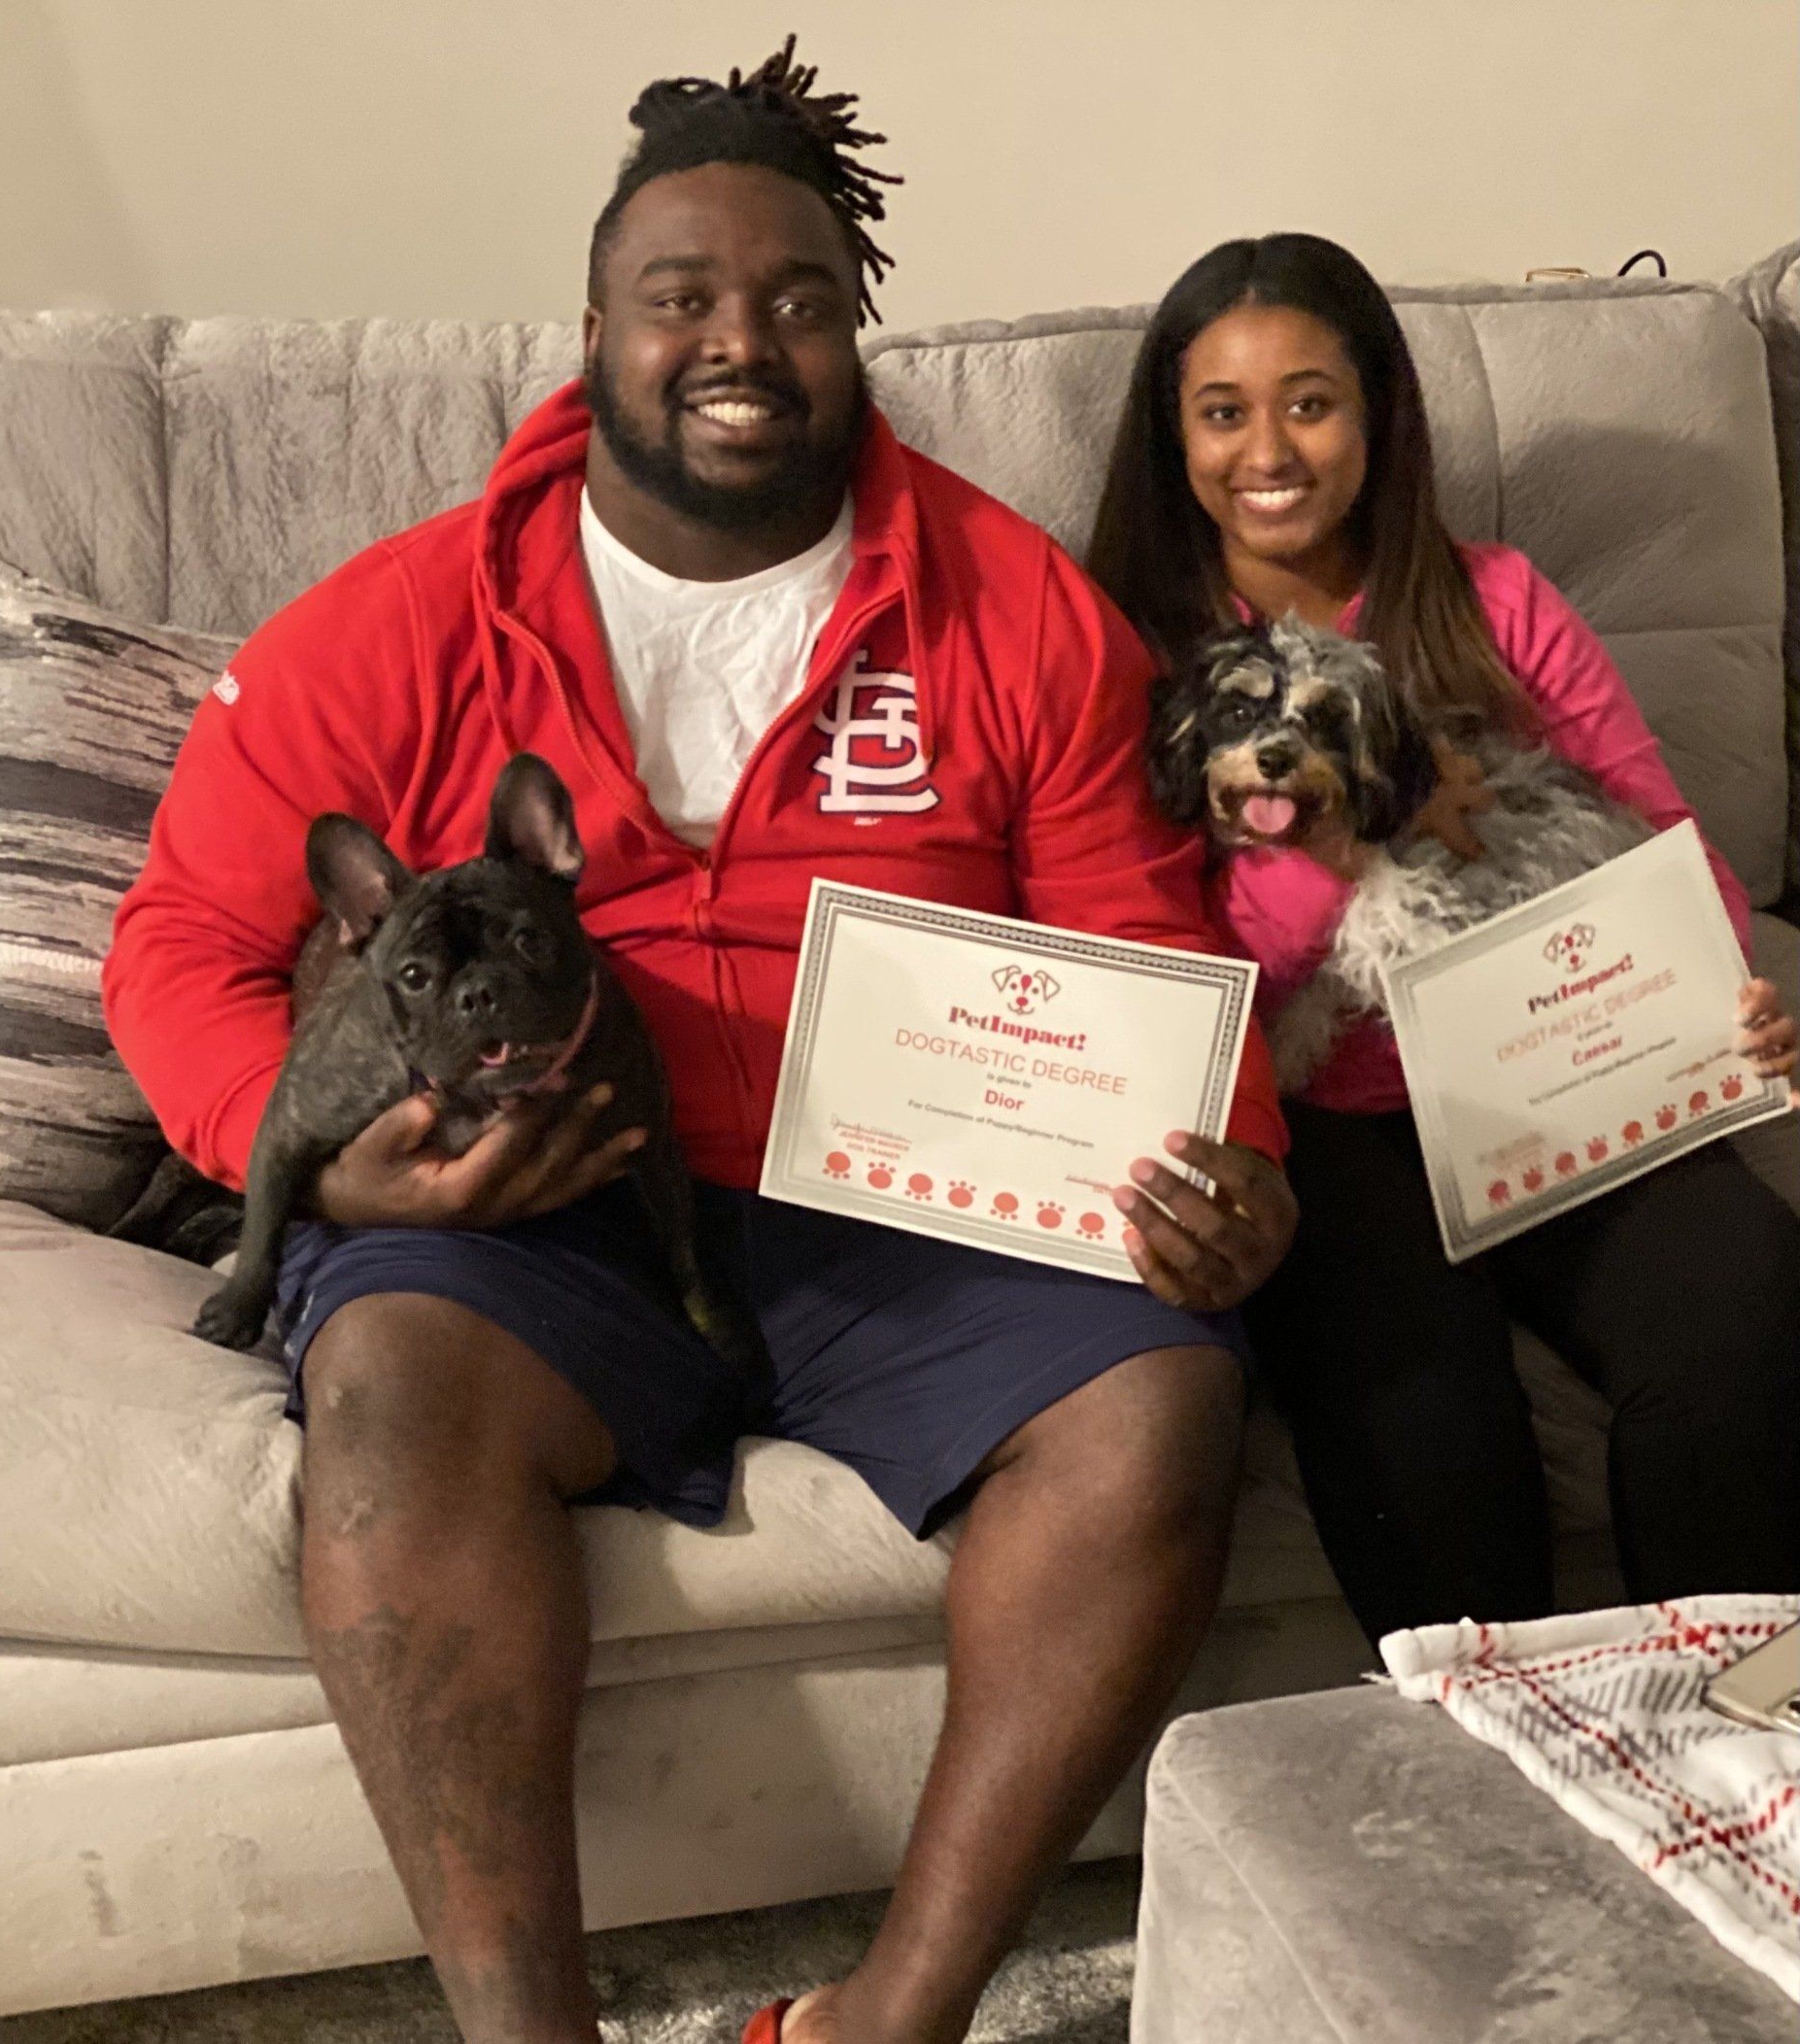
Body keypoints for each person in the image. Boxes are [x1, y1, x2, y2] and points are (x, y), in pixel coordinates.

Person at [104, 45, 1298, 2044]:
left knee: (1162, 1405)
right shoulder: (394, 626)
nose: (741, 340)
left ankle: (882, 2017)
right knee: (386, 1390)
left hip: (917, 1198)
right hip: (534, 1201)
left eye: (800, 299)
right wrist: (312, 1155)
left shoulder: (1019, 610)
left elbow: (1138, 940)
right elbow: (183, 945)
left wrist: (1225, 1155)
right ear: (593, 332)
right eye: (684, 297)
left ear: (855, 329)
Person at [1087, 230, 1800, 1652]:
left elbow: (1655, 829)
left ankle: (1738, 1731)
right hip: (1317, 1120)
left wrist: (1731, 991)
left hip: (1554, 1069)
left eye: (1311, 399)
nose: (1268, 449)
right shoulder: (1128, 647)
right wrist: (1363, 839)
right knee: (1428, 1418)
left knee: (1748, 1314)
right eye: (1223, 411)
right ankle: (1498, 1770)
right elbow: (1164, 952)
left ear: (1378, 416)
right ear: (1175, 438)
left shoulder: (1493, 600)